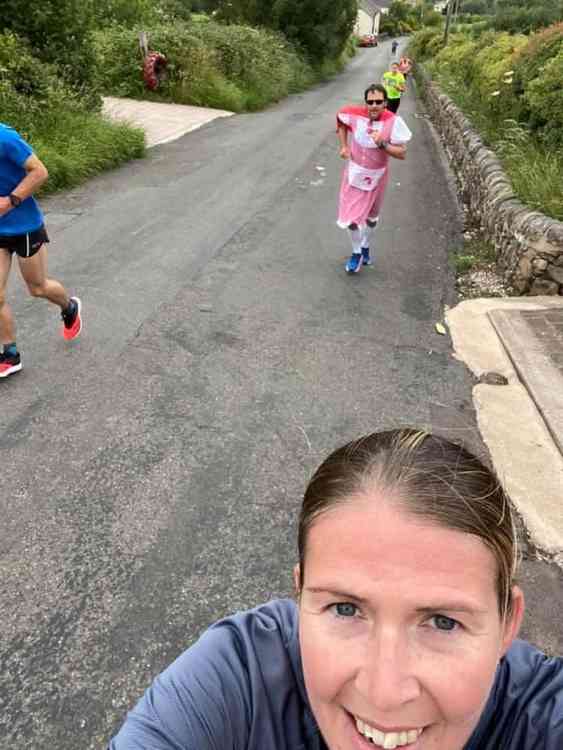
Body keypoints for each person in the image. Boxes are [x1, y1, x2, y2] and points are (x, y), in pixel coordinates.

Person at [108, 428, 563, 749]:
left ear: (508, 624)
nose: (384, 693)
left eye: (443, 622)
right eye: (345, 609)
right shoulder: (238, 679)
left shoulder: (543, 719)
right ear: (300, 595)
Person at [0, 122, 82, 378]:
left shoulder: (5, 137)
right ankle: (10, 354)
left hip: (24, 227)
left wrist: (10, 202)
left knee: (37, 288)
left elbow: (39, 171)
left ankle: (69, 307)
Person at [336, 84, 412, 273]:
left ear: (385, 103)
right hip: (354, 173)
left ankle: (365, 245)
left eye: (378, 102)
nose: (374, 106)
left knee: (371, 218)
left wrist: (382, 143)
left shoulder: (393, 121)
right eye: (370, 102)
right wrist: (344, 146)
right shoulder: (354, 114)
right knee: (351, 219)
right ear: (366, 103)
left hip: (377, 176)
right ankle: (356, 253)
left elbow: (402, 153)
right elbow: (341, 120)